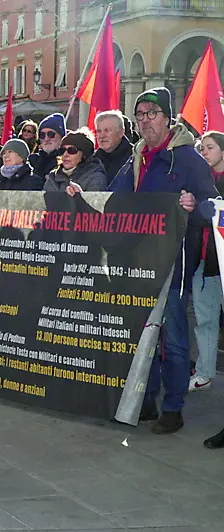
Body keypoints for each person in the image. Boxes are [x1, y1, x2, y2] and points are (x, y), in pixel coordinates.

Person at [103, 88, 219, 435]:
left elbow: (211, 206)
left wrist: (192, 207)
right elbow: (114, 199)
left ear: (168, 118)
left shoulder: (186, 158)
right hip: (137, 260)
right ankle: (148, 398)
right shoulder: (137, 156)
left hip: (173, 260)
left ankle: (174, 406)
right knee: (142, 332)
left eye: (151, 113)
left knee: (173, 335)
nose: (144, 120)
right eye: (139, 114)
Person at [189, 132, 224, 397]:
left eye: (210, 148)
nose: (204, 152)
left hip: (220, 261)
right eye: (201, 148)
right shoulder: (201, 181)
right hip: (204, 262)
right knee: (204, 320)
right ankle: (204, 373)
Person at [43, 128, 107, 192]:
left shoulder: (95, 177)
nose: (65, 154)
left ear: (84, 155)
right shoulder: (53, 177)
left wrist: (79, 196)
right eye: (62, 150)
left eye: (72, 150)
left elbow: (95, 201)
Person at [94, 110, 133, 185]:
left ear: (121, 132)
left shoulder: (135, 158)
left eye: (107, 130)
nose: (102, 135)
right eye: (99, 131)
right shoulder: (91, 160)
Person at [30, 113, 66, 182]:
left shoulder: (66, 160)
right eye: (42, 135)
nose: (46, 139)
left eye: (51, 134)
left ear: (61, 137)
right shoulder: (32, 160)